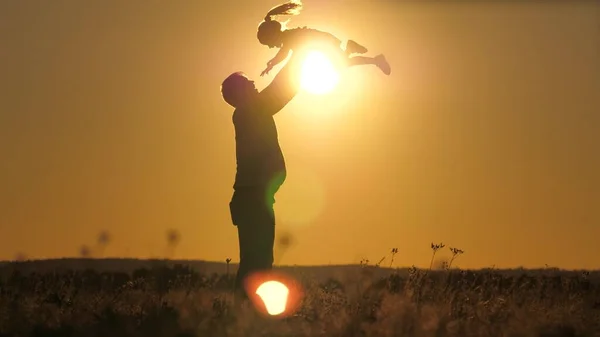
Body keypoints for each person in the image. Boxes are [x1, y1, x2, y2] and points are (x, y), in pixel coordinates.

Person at [220, 51, 302, 307]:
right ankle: (245, 315)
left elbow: (281, 92)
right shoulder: (249, 112)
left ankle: (243, 314)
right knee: (258, 261)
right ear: (239, 94)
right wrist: (297, 55)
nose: (254, 84)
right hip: (252, 197)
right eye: (247, 83)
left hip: (253, 197)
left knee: (258, 260)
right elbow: (280, 91)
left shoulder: (252, 111)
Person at [257, 0, 391, 77]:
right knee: (342, 63)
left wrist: (272, 64)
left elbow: (283, 54)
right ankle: (361, 54)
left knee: (342, 64)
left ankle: (366, 55)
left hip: (324, 44)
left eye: (268, 43)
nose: (270, 47)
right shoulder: (288, 37)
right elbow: (284, 53)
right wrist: (272, 63)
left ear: (273, 35)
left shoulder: (288, 38)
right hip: (325, 43)